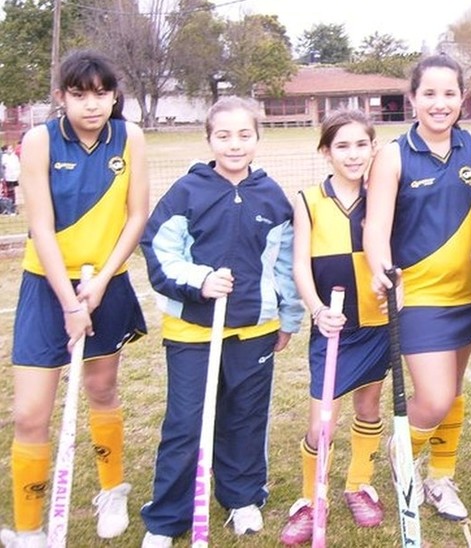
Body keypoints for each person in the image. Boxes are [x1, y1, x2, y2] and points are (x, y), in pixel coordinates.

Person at [138, 96, 304, 548]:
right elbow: (158, 251)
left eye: (244, 134)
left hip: (254, 331)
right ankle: (166, 518)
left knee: (245, 418)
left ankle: (242, 496)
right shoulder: (186, 192)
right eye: (224, 135)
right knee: (186, 424)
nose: (234, 144)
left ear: (257, 137)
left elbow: (285, 264)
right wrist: (201, 280)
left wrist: (287, 316)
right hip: (193, 332)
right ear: (209, 139)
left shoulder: (271, 197)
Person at [0, 49, 148, 548]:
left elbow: (136, 217)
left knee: (102, 390)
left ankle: (112, 490)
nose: (92, 104)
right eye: (80, 94)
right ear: (61, 96)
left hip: (106, 282)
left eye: (102, 93)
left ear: (114, 96)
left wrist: (101, 282)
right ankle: (28, 529)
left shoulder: (131, 138)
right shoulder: (39, 141)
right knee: (30, 414)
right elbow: (38, 225)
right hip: (49, 289)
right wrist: (68, 302)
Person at [363, 52, 471, 521]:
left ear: (462, 99)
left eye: (449, 93)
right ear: (412, 99)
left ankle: (439, 478)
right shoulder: (393, 155)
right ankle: (400, 452)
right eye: (429, 93)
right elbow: (375, 227)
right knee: (434, 397)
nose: (440, 103)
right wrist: (381, 271)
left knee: (455, 392)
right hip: (421, 298)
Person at [279, 109, 390, 545]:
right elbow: (300, 265)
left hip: (377, 322)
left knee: (369, 407)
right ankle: (311, 498)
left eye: (362, 144)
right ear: (326, 152)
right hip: (334, 326)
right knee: (321, 422)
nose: (353, 154)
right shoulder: (308, 200)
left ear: (373, 147)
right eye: (342, 145)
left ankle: (358, 484)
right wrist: (316, 308)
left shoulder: (383, 197)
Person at [1, 145, 20, 214]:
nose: (11, 150)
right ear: (6, 150)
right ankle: (7, 204)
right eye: (9, 148)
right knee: (7, 191)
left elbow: (17, 165)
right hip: (7, 176)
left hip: (14, 176)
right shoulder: (4, 157)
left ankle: (13, 202)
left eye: (11, 148)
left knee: (13, 190)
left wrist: (17, 174)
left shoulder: (14, 157)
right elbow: (3, 166)